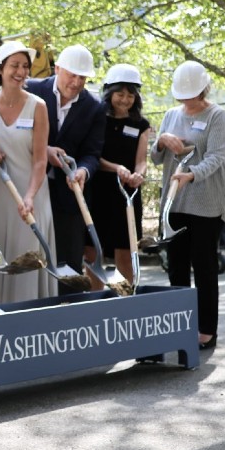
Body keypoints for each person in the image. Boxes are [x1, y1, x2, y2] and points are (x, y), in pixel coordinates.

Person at [150, 61, 225, 350]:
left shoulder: (217, 115)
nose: (186, 100)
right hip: (175, 202)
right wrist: (161, 141)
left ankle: (206, 329)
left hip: (206, 204)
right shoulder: (171, 115)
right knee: (176, 268)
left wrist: (191, 175)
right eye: (182, 95)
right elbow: (156, 158)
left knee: (205, 266)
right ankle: (180, 325)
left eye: (192, 94)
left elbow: (216, 157)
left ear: (204, 89)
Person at [0, 41, 56, 304]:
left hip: (31, 197)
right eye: (14, 65)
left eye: (25, 67)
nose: (20, 71)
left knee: (26, 259)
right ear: (0, 68)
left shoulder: (38, 106)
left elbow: (41, 160)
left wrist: (30, 196)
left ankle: (29, 319)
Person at [25, 44, 105, 295]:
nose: (77, 81)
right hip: (29, 188)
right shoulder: (30, 91)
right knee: (31, 255)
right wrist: (44, 150)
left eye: (83, 77)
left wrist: (83, 171)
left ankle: (68, 314)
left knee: (69, 261)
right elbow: (16, 134)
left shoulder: (94, 106)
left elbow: (93, 153)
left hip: (69, 195)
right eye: (72, 74)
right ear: (57, 68)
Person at [89, 64, 151, 286]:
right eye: (120, 94)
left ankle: (126, 300)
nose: (125, 100)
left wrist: (138, 174)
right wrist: (117, 168)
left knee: (126, 250)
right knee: (92, 249)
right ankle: (95, 300)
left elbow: (141, 160)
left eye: (130, 95)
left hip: (127, 193)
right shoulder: (97, 119)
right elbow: (93, 155)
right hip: (97, 191)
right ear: (109, 93)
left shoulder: (141, 125)